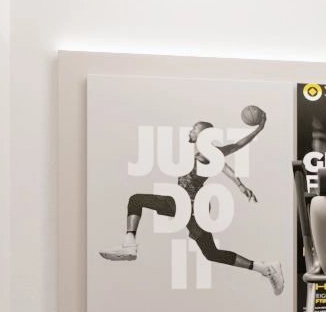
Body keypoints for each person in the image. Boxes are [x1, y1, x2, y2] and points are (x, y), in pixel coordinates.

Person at [100, 113, 284, 295]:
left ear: (203, 134)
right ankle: (266, 268)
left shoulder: (208, 152)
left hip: (188, 204)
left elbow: (231, 156)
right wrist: (240, 184)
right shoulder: (204, 152)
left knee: (136, 200)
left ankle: (130, 244)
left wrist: (241, 183)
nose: (190, 131)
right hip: (190, 206)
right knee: (211, 253)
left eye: (194, 129)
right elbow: (231, 152)